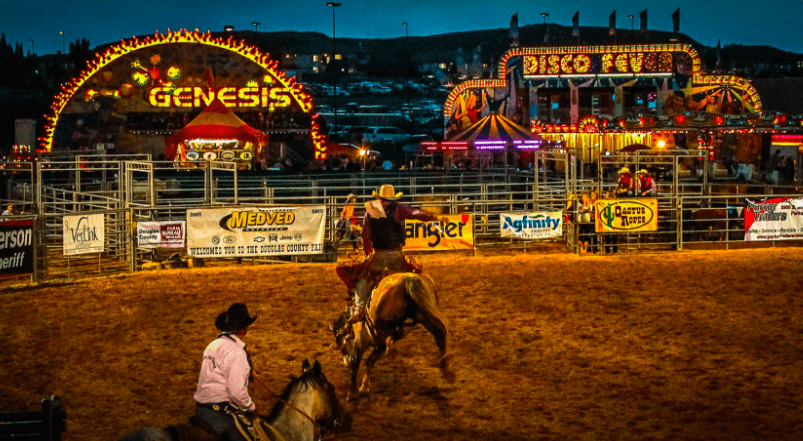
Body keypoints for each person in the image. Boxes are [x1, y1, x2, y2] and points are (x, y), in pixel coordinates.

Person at [347, 184, 448, 325]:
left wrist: (368, 252)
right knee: (413, 278)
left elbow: (365, 234)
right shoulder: (399, 208)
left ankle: (358, 309)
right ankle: (418, 307)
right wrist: (436, 217)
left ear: (380, 197)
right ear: (393, 197)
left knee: (363, 279)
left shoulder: (373, 209)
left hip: (378, 255)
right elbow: (417, 214)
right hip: (396, 256)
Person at [194, 303, 258, 441]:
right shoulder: (236, 352)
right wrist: (251, 407)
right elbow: (236, 393)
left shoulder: (212, 345)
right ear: (243, 330)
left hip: (201, 411)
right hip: (220, 415)